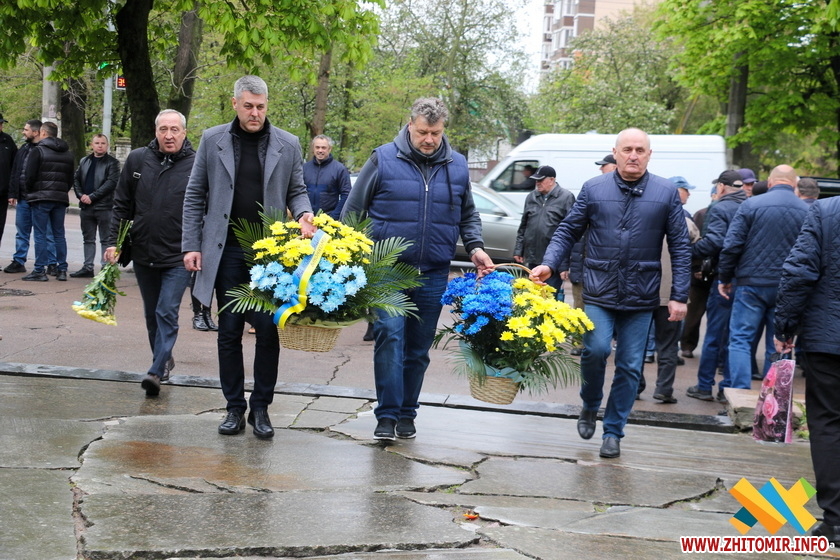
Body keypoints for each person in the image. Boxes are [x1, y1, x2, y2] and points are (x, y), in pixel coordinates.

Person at [530, 128, 690, 459]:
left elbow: (680, 246)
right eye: (627, 149)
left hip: (642, 294)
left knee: (630, 366)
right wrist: (549, 263)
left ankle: (614, 431)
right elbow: (568, 230)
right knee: (595, 350)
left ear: (649, 155)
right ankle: (590, 404)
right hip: (599, 289)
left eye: (640, 150)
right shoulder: (594, 188)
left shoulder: (665, 192)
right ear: (615, 152)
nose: (633, 155)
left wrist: (679, 295)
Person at [342, 97, 493, 441]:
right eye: (423, 132)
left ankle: (407, 413)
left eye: (435, 133)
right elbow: (353, 210)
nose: (429, 139)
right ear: (410, 125)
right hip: (388, 270)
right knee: (390, 337)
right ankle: (386, 415)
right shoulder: (382, 158)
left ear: (443, 130)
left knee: (418, 350)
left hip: (434, 272)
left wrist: (476, 247)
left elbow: (467, 213)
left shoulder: (457, 165)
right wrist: (347, 257)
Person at [183, 75, 315, 440]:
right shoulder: (212, 140)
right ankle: (233, 408)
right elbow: (195, 194)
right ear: (235, 104)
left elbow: (297, 190)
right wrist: (191, 244)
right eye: (248, 106)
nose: (255, 113)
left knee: (268, 331)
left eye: (260, 107)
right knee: (228, 331)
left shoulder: (288, 143)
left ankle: (261, 408)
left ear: (267, 106)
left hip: (270, 255)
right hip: (225, 250)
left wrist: (304, 213)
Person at [105, 109, 195, 397]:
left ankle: (156, 371)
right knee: (151, 314)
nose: (168, 135)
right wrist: (113, 242)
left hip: (178, 255)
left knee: (166, 310)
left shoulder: (197, 164)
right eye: (163, 129)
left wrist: (198, 246)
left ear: (184, 132)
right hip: (144, 250)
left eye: (174, 130)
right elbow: (122, 204)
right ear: (156, 132)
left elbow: (204, 210)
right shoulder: (137, 159)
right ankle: (163, 357)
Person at [774, 196, 840, 548]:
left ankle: (836, 522)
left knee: (828, 422)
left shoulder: (826, 212)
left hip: (829, 339)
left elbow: (798, 272)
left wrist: (786, 326)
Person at [717, 165, 809, 389]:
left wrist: (725, 277)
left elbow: (731, 245)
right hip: (787, 287)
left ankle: (739, 392)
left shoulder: (751, 205)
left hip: (751, 283)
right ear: (795, 184)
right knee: (779, 342)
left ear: (769, 182)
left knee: (740, 339)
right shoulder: (806, 210)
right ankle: (772, 399)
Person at [685, 171, 747, 402]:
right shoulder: (751, 206)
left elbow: (716, 242)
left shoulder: (720, 208)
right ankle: (727, 388)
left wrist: (690, 251)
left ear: (721, 187)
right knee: (736, 336)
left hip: (724, 278)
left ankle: (704, 386)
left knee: (714, 334)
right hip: (746, 279)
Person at [650, 177, 700, 403]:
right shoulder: (686, 221)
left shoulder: (645, 216)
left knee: (636, 344)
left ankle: (635, 386)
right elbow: (697, 249)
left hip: (642, 290)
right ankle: (664, 389)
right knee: (668, 344)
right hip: (673, 293)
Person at [21, 122, 73, 282]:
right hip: (60, 198)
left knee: (40, 234)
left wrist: (30, 192)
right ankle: (62, 269)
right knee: (59, 234)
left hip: (41, 197)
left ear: (43, 133)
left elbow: (29, 175)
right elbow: (70, 178)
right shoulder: (67, 153)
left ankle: (39, 270)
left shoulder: (38, 151)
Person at [513, 165, 574, 298]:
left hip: (553, 261)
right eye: (536, 180)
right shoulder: (531, 197)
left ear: (552, 180)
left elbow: (570, 232)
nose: (537, 183)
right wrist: (519, 250)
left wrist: (564, 265)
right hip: (533, 257)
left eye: (541, 180)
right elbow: (524, 225)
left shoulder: (566, 197)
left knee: (549, 298)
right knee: (532, 298)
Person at [4, 120, 55, 275]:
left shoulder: (45, 150)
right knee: (22, 232)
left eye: (26, 130)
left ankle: (51, 263)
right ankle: (19, 261)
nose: (23, 132)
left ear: (36, 132)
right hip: (23, 198)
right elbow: (16, 171)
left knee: (46, 233)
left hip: (40, 198)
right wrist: (13, 193)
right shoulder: (24, 149)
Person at [70, 134, 120, 278]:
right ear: (91, 145)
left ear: (107, 145)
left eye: (103, 143)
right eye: (97, 143)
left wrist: (92, 197)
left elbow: (111, 183)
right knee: (88, 239)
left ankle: (105, 269)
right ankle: (87, 267)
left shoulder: (113, 163)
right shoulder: (84, 161)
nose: (100, 146)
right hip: (86, 207)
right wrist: (81, 196)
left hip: (105, 207)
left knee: (106, 239)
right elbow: (76, 179)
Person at [302, 134, 352, 220]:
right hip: (307, 219)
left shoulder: (340, 169)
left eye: (323, 148)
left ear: (329, 149)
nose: (320, 150)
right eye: (317, 147)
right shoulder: (304, 168)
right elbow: (298, 192)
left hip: (329, 220)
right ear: (313, 148)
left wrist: (334, 216)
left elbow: (346, 195)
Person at [0, 113, 17, 251]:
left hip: (2, 193)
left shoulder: (7, 140)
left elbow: (15, 167)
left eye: (1, 124)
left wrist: (12, 192)